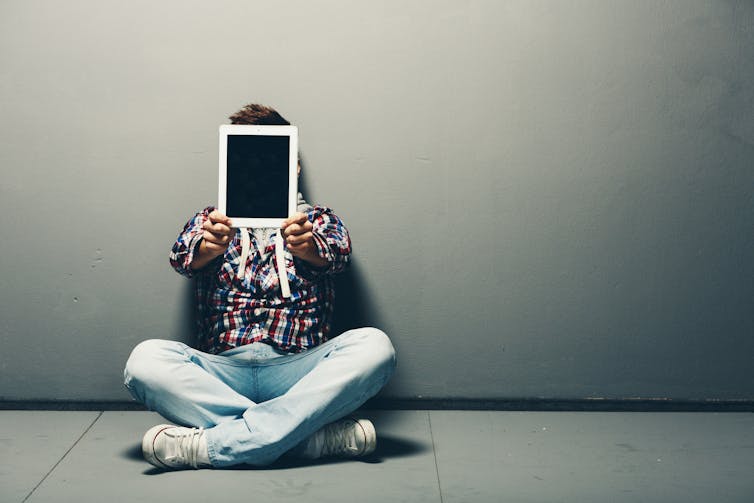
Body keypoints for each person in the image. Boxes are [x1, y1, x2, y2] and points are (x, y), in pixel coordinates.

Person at [123, 104, 396, 470]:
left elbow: (338, 253)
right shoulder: (210, 221)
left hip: (297, 372)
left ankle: (211, 446)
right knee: (145, 361)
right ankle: (304, 439)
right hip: (222, 372)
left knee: (375, 347)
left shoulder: (318, 220)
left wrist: (308, 247)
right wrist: (209, 248)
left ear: (293, 164)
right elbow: (180, 258)